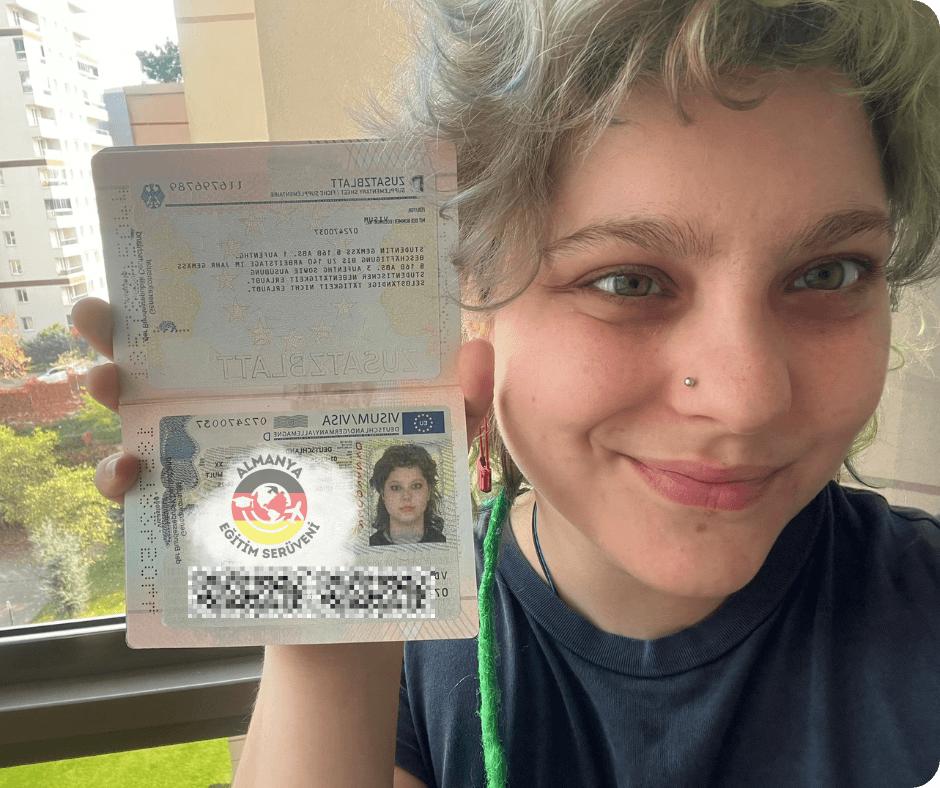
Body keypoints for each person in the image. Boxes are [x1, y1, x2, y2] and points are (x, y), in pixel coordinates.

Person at [74, 0, 940, 786]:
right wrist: (327, 599)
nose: (747, 399)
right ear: (470, 300)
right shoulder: (408, 648)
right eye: (630, 283)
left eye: (830, 272)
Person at [368, 444, 447, 546]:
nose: (406, 496)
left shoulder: (445, 545)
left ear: (429, 492)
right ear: (383, 494)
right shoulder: (368, 546)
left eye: (416, 486)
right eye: (396, 488)